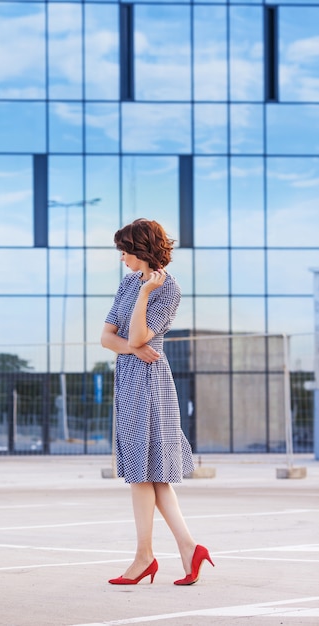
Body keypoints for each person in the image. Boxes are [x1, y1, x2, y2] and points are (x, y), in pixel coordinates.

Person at [101, 218, 214, 586]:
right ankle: (188, 549)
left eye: (125, 250)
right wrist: (132, 346)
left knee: (143, 472)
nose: (121, 257)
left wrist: (146, 295)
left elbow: (136, 335)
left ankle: (144, 557)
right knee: (151, 474)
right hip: (131, 376)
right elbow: (108, 338)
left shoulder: (168, 289)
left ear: (142, 249)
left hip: (151, 382)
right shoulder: (126, 283)